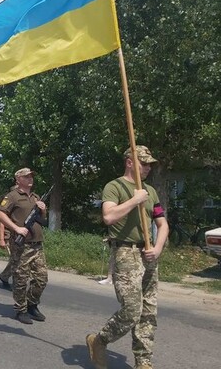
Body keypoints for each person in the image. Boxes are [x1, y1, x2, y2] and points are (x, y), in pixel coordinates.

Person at [86, 146, 169, 369]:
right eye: (144, 163)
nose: (148, 168)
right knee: (132, 310)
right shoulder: (114, 187)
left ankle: (143, 361)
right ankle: (99, 340)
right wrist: (134, 200)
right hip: (125, 252)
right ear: (130, 162)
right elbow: (108, 216)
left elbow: (162, 224)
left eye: (150, 164)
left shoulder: (151, 191)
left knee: (148, 312)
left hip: (149, 252)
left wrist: (158, 247)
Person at [0, 167, 48, 325]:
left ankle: (32, 304)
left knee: (42, 278)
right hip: (21, 245)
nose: (30, 179)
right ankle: (21, 309)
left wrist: (43, 210)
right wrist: (16, 228)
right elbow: (0, 213)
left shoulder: (35, 197)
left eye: (31, 176)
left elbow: (41, 219)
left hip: (37, 244)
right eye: (26, 177)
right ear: (18, 179)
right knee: (20, 279)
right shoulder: (12, 196)